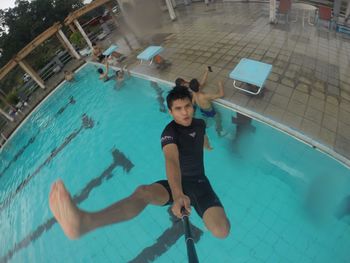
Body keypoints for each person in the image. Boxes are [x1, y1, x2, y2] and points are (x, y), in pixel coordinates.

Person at [48, 86, 230, 240]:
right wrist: (178, 194)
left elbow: (201, 135)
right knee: (143, 193)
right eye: (178, 108)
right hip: (177, 185)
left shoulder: (199, 124)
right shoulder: (170, 132)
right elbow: (171, 160)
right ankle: (85, 223)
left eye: (188, 106)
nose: (184, 112)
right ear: (170, 112)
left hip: (199, 183)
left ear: (193, 106)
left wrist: (206, 144)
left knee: (222, 231)